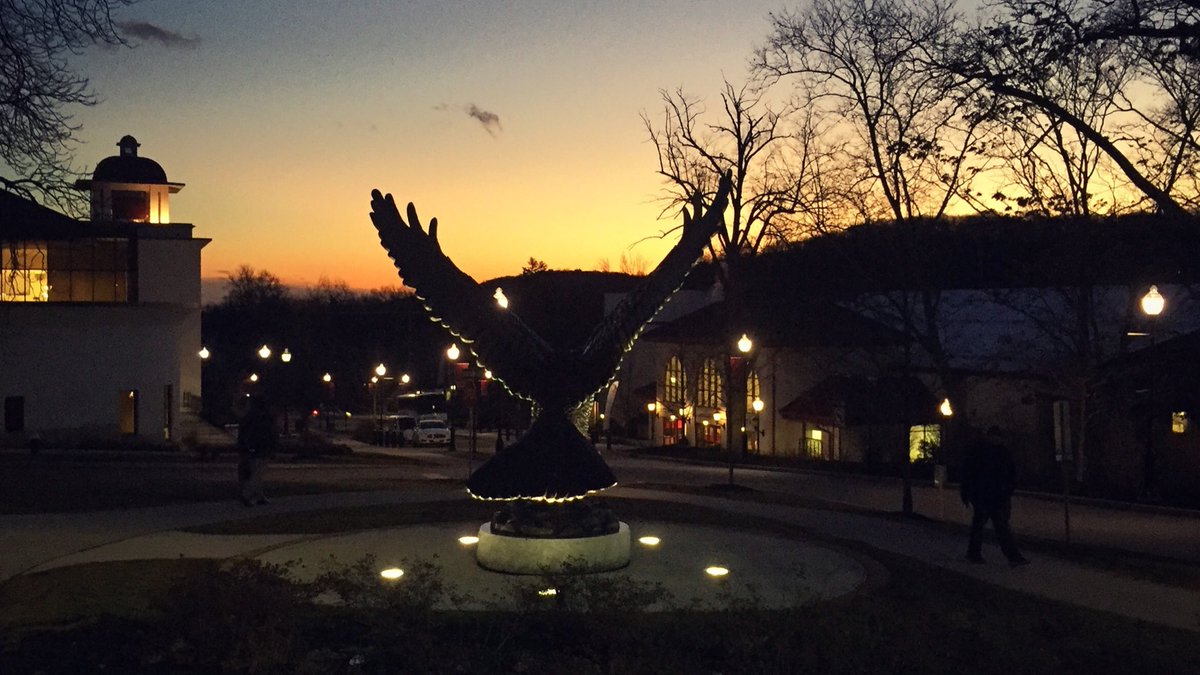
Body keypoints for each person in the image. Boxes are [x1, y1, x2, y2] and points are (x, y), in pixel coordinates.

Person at [960, 426, 1029, 566]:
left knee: (993, 526)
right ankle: (1011, 556)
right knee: (993, 526)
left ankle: (1010, 556)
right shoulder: (989, 453)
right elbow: (969, 474)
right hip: (986, 495)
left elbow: (1010, 475)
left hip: (992, 496)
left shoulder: (988, 452)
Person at [237, 396, 276, 506]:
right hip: (259, 448)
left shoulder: (250, 417)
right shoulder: (263, 417)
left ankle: (259, 495)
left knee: (256, 471)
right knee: (257, 473)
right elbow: (268, 433)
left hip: (253, 447)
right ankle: (247, 495)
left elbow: (244, 433)